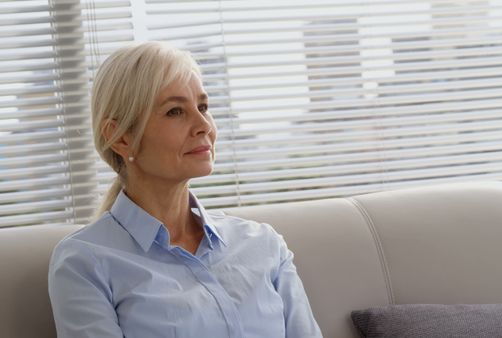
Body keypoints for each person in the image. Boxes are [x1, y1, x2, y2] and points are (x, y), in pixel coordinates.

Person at [48, 41, 322, 338]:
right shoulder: (83, 263)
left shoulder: (265, 245)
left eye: (203, 107)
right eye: (175, 111)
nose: (203, 124)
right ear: (120, 137)